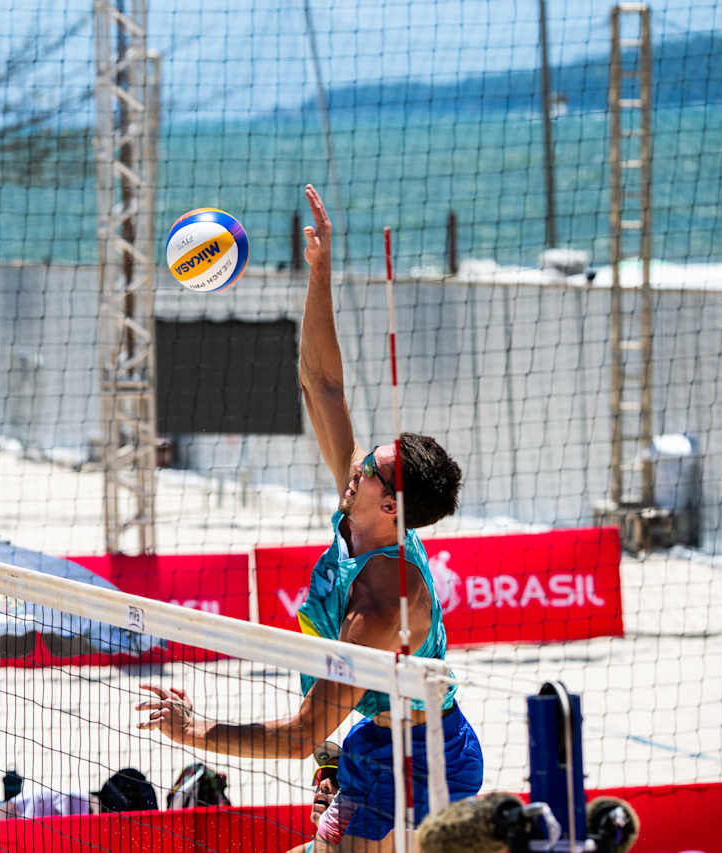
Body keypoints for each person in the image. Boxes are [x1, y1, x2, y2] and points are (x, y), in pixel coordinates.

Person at [137, 185, 483, 851]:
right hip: (377, 742)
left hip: (411, 771)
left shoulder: (385, 598)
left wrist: (197, 730)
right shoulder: (366, 513)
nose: (355, 464)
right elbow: (321, 384)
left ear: (389, 504)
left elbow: (299, 734)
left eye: (370, 468)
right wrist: (319, 273)